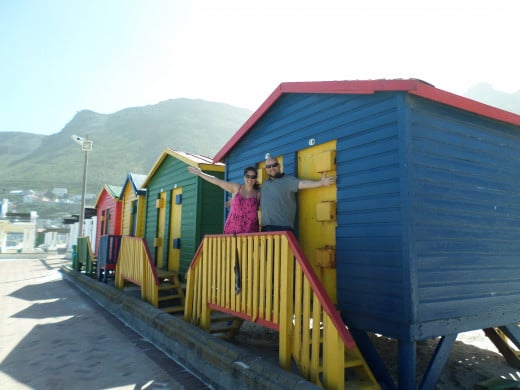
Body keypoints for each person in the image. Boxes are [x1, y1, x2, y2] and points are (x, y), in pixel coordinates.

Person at [260, 156, 336, 232]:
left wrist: (321, 183)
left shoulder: (288, 180)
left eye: (274, 165)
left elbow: (303, 183)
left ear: (279, 165)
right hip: (265, 230)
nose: (272, 168)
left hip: (283, 229)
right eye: (268, 166)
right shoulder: (264, 185)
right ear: (266, 169)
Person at [187, 166, 260, 234]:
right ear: (244, 177)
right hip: (232, 233)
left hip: (250, 235)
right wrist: (200, 173)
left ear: (256, 179)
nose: (250, 179)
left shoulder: (258, 195)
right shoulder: (236, 188)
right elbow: (217, 181)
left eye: (253, 177)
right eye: (248, 176)